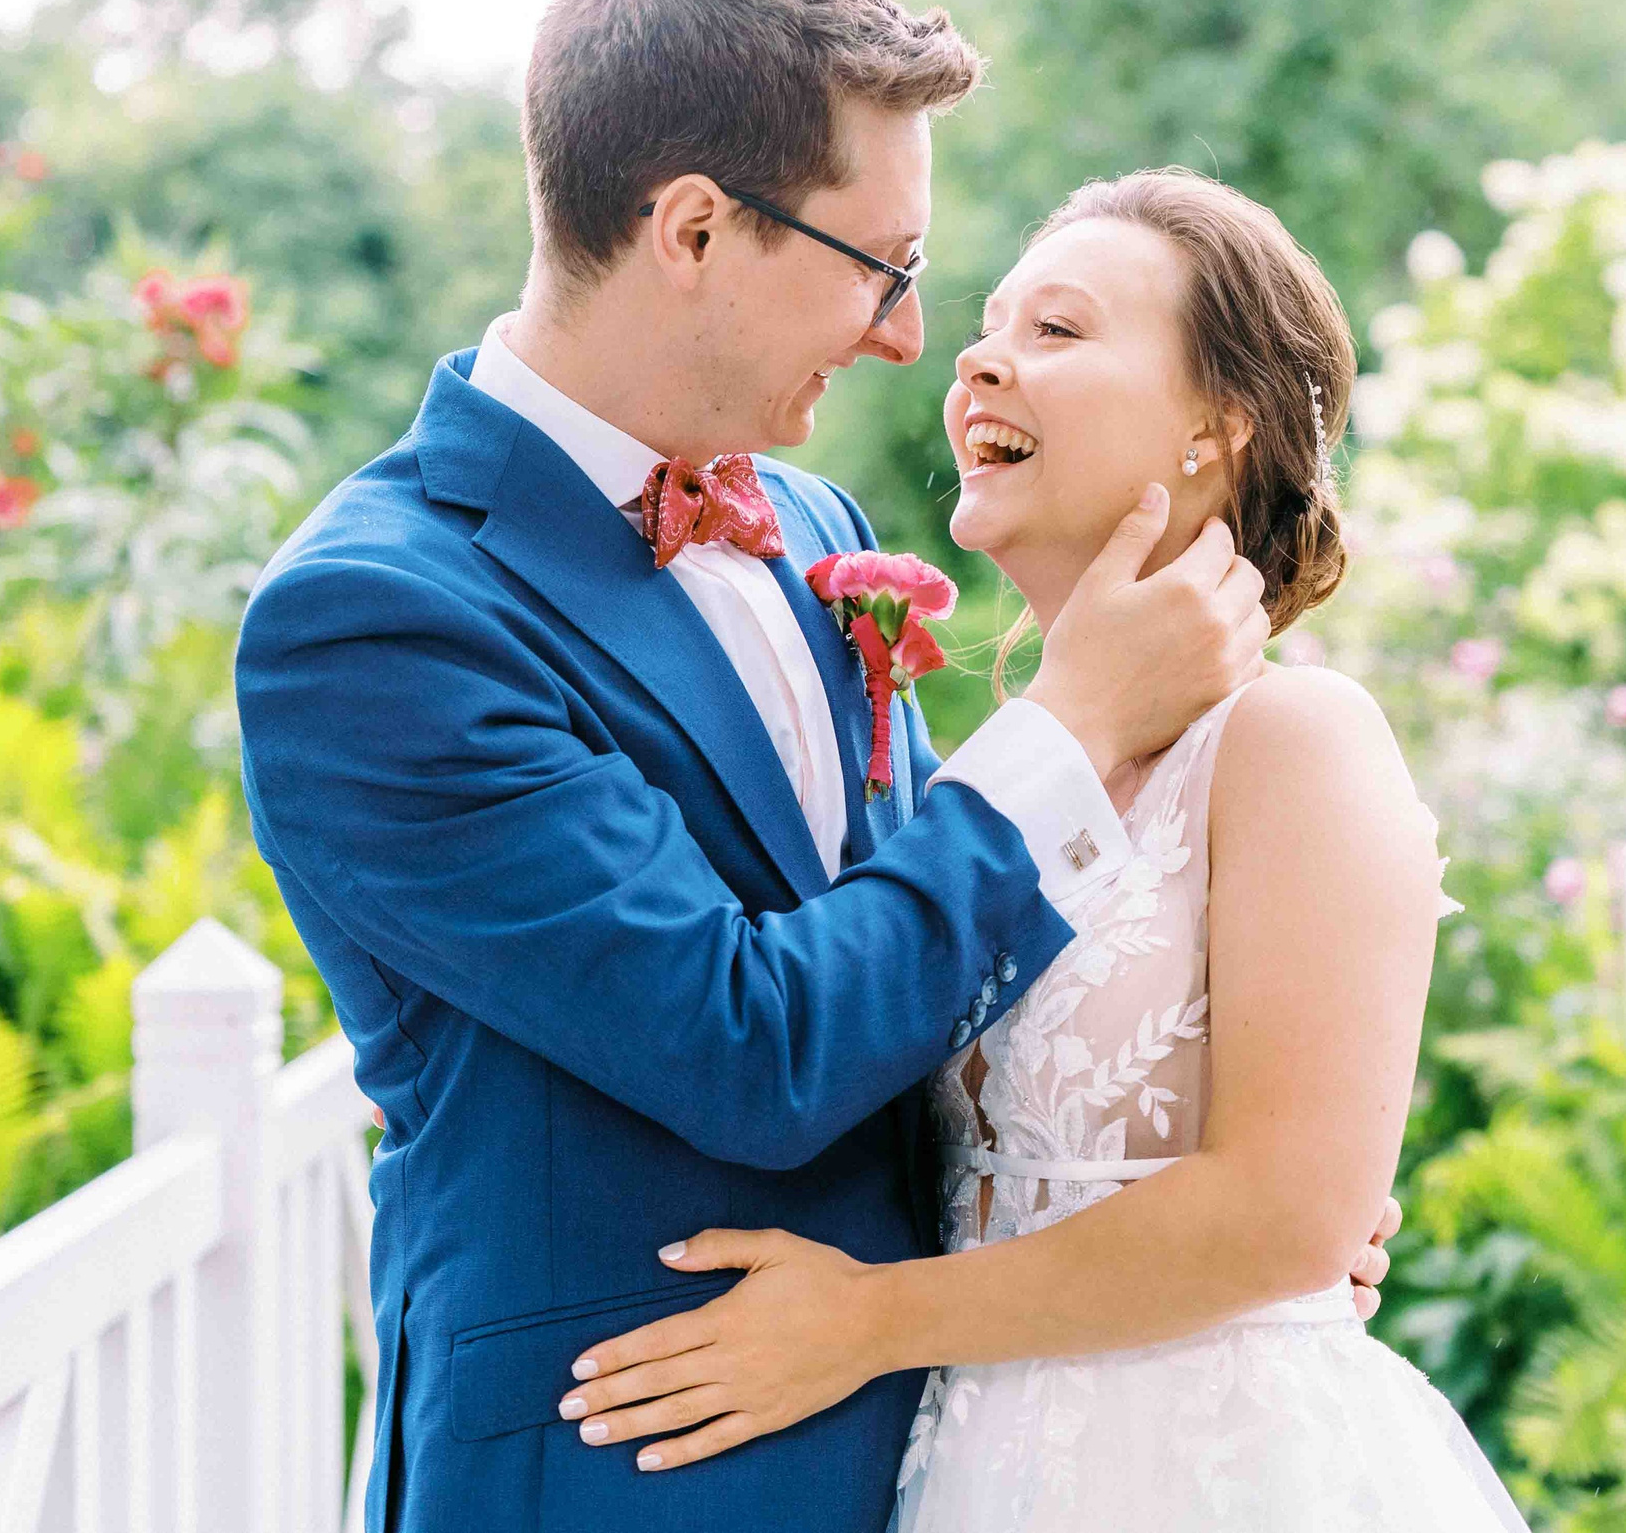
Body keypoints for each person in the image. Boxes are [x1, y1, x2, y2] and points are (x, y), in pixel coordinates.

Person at [232, 0, 1396, 1533]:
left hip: (968, 1449)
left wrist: (1243, 1198)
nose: (916, 340)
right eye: (887, 270)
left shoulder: (813, 530)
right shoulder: (379, 619)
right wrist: (1066, 730)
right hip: (628, 1471)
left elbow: (925, 960)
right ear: (696, 231)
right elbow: (756, 1044)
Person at [557, 169, 1528, 1530]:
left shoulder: (1296, 742)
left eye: (1059, 332)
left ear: (1216, 425)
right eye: (991, 325)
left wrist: (871, 1322)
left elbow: (1291, 1216)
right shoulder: (995, 782)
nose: (977, 357)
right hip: (974, 1466)